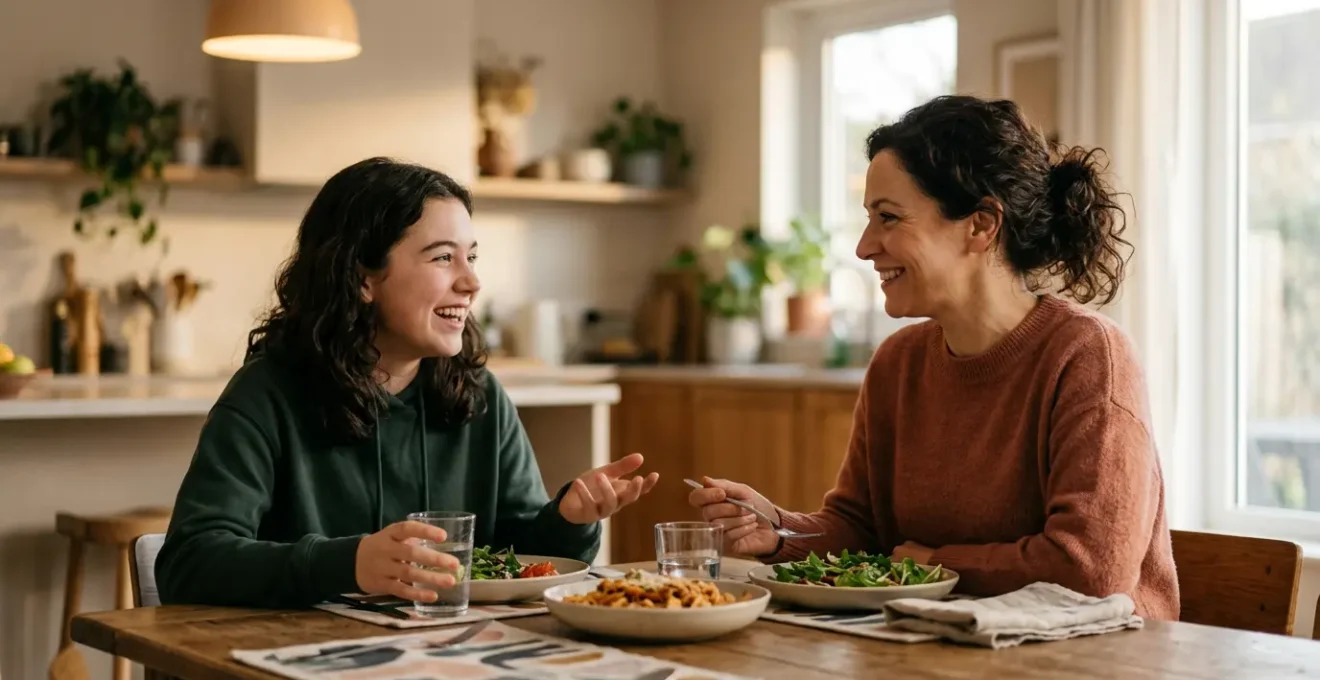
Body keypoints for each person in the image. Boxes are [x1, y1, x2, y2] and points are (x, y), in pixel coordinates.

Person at [689, 95, 1179, 619]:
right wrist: (778, 531)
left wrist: (935, 564)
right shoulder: (897, 364)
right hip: (942, 651)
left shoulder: (1089, 357)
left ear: (981, 224)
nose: (863, 246)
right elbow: (863, 530)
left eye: (889, 218)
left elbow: (1090, 571)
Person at [157, 157, 658, 608]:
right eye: (443, 257)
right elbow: (190, 562)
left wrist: (567, 521)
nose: (471, 281)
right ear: (362, 279)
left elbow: (517, 559)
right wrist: (349, 564)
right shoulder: (267, 394)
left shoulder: (480, 395)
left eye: (471, 257)